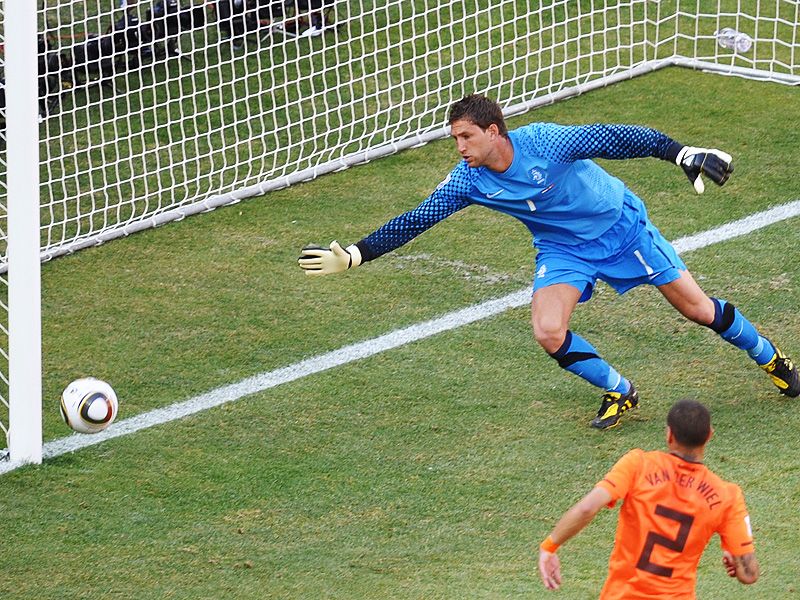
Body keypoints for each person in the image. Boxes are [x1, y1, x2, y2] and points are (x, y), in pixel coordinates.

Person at [298, 94, 799, 429]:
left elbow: (614, 138)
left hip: (621, 229)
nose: (459, 148)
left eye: (465, 137)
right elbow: (418, 218)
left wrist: (679, 152)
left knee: (697, 310)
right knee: (547, 330)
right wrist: (357, 254)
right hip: (563, 250)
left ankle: (773, 360)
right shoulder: (467, 181)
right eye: (454, 139)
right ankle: (620, 390)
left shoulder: (544, 142)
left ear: (495, 132)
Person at [537, 399, 759, 597]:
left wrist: (549, 547)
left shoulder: (638, 465)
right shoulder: (727, 496)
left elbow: (587, 508)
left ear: (669, 434)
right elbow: (749, 574)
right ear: (709, 435)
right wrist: (736, 561)